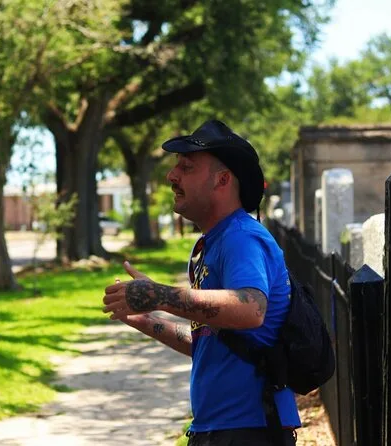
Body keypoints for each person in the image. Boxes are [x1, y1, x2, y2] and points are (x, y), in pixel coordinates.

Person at [103, 120, 300, 445]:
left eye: (186, 167)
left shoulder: (241, 237)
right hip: (220, 430)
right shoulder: (215, 243)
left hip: (249, 431)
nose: (172, 176)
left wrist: (160, 294)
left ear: (222, 180)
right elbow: (208, 343)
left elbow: (251, 309)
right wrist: (148, 321)